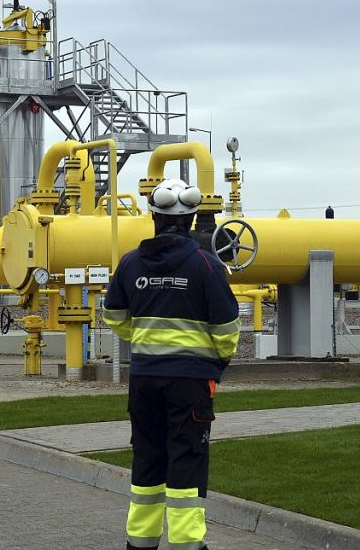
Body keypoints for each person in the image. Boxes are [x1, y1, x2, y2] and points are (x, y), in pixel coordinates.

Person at [103, 179, 239, 550]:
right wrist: (217, 360)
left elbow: (113, 314)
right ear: (192, 219)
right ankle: (186, 544)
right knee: (187, 459)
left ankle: (141, 543)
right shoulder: (205, 264)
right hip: (190, 381)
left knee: (147, 459)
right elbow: (227, 328)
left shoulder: (131, 263)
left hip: (144, 378)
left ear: (154, 217)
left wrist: (143, 338)